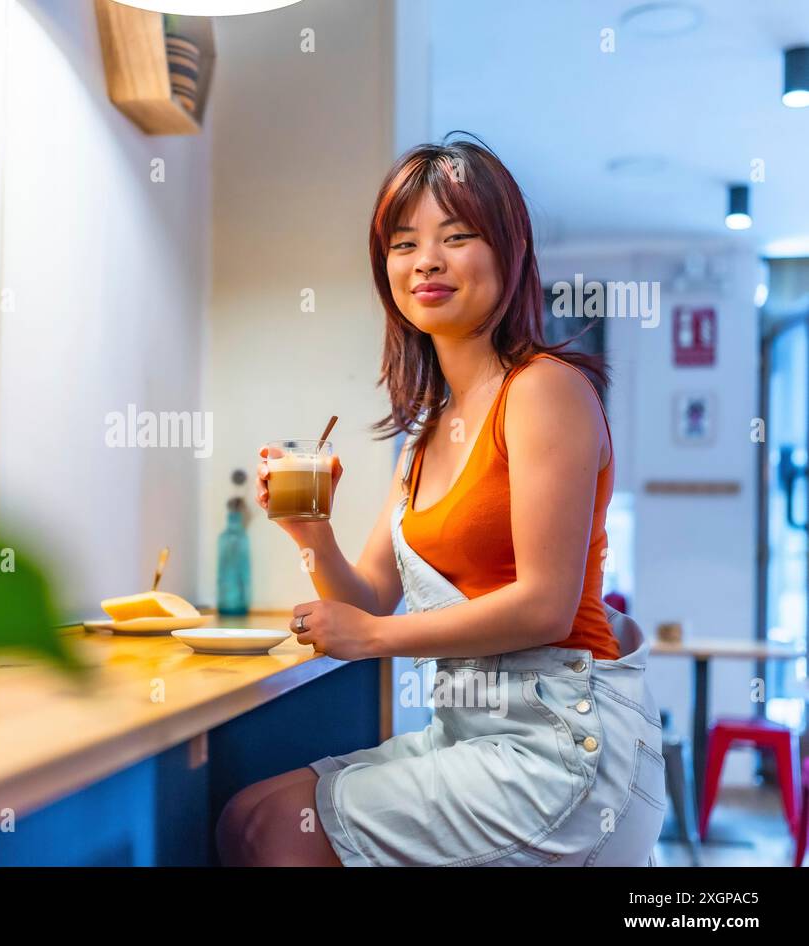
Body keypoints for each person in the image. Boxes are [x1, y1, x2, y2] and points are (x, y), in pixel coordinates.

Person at [215, 138, 667, 867]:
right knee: (247, 815)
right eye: (405, 243)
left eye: (457, 237)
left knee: (276, 833)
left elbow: (546, 607)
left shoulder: (544, 390)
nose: (426, 260)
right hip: (472, 730)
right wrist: (310, 532)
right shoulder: (428, 427)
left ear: (510, 252)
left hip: (564, 743)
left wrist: (371, 639)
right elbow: (367, 596)